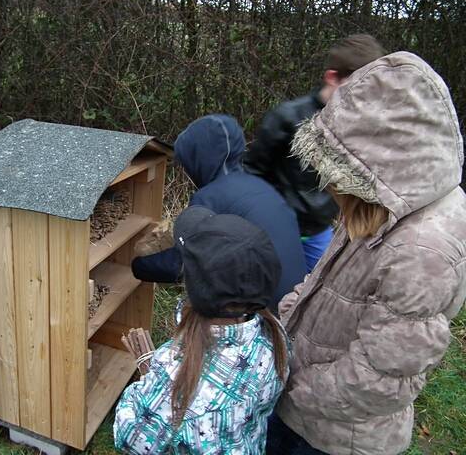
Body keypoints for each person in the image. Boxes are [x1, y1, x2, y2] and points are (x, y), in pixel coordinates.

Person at [266, 51, 466, 454]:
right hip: (304, 403)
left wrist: (288, 389)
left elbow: (378, 382)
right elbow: (323, 281)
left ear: (378, 160)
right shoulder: (385, 201)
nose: (331, 189)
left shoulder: (423, 252)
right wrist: (278, 326)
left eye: (341, 171)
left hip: (332, 437)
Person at [114, 206, 289, 454]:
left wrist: (143, 387)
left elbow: (131, 438)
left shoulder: (176, 373)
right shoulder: (275, 336)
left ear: (196, 286)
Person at [131, 114, 307, 311]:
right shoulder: (258, 184)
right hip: (297, 300)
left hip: (264, 311)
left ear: (198, 159)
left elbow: (187, 264)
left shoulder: (210, 198)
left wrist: (138, 266)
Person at [244, 34, 386, 271]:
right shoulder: (287, 118)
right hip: (276, 231)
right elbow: (251, 173)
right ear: (332, 78)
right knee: (267, 294)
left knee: (316, 295)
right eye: (357, 88)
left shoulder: (356, 126)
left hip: (320, 232)